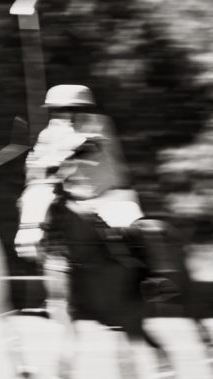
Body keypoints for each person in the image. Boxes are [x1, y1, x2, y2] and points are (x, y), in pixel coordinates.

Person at [18, 83, 176, 300]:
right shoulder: (49, 133)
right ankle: (55, 293)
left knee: (131, 229)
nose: (66, 115)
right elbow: (36, 161)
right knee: (43, 224)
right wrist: (35, 166)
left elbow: (90, 148)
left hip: (111, 196)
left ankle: (153, 279)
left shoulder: (99, 124)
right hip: (74, 199)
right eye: (59, 109)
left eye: (71, 109)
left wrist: (61, 161)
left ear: (83, 109)